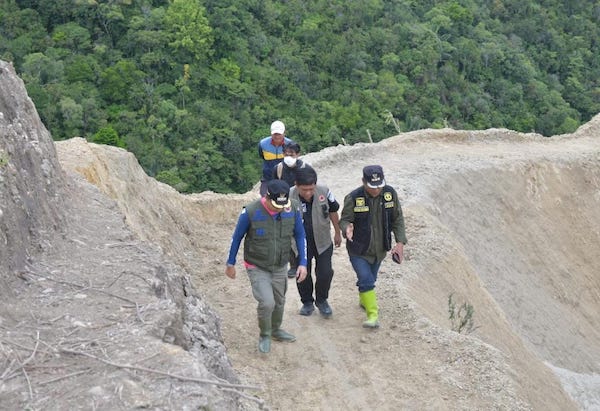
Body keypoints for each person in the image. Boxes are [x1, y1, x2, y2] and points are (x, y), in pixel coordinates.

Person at [225, 179, 308, 354]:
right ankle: (265, 334)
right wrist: (230, 263)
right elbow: (236, 237)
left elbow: (300, 236)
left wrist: (303, 263)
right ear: (267, 197)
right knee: (267, 302)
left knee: (279, 301)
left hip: (280, 265)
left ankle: (276, 329)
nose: (280, 208)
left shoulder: (292, 208)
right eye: (276, 204)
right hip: (256, 264)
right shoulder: (251, 211)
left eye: (282, 204)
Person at [339, 165, 406, 328]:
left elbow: (398, 219)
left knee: (370, 278)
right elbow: (345, 219)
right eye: (372, 186)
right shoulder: (354, 197)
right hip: (359, 249)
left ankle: (364, 299)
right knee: (367, 279)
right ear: (363, 182)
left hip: (380, 248)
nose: (376, 190)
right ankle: (372, 315)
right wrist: (346, 227)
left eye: (379, 186)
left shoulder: (390, 194)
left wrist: (400, 242)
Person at [289, 165, 342, 317]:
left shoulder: (324, 192)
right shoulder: (287, 196)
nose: (308, 193)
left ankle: (322, 300)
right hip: (298, 244)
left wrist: (337, 232)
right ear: (296, 185)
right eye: (304, 189)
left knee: (325, 272)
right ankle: (307, 302)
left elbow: (333, 210)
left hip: (323, 240)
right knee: (302, 274)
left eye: (311, 189)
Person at [272, 140, 306, 278]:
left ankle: (303, 261)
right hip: (284, 204)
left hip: (301, 204)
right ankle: (293, 264)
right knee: (286, 234)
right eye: (286, 154)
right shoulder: (278, 168)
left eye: (291, 154)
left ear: (298, 154)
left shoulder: (304, 168)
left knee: (301, 233)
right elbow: (274, 186)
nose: (288, 157)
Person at [258, 120, 292, 196]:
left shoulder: (290, 144)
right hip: (268, 177)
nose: (277, 136)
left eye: (279, 134)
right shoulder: (263, 144)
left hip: (285, 178)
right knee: (264, 197)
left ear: (284, 133)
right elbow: (262, 155)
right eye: (275, 134)